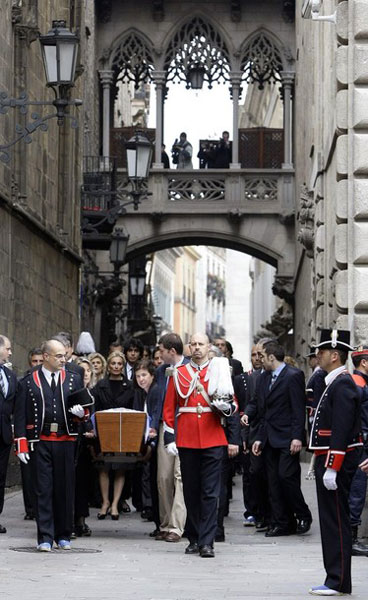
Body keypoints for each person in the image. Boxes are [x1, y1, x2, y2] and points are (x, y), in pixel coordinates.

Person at [163, 333, 237, 557]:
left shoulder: (219, 369)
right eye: (193, 344)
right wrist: (169, 437)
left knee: (210, 492)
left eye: (200, 344)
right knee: (191, 492)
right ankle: (193, 538)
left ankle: (207, 542)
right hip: (187, 438)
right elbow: (169, 407)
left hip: (213, 436)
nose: (196, 348)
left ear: (208, 347)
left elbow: (233, 405)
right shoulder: (180, 372)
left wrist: (225, 407)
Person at [14, 339, 86, 551]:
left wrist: (82, 415)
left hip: (65, 441)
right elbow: (20, 415)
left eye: (65, 355)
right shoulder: (28, 381)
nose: (64, 359)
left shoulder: (74, 379)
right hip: (41, 441)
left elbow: (85, 408)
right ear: (46, 357)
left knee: (64, 489)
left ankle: (63, 534)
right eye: (59, 356)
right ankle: (45, 537)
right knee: (43, 489)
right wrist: (21, 444)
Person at [308, 329, 362, 597]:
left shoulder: (342, 384)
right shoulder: (333, 382)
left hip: (335, 462)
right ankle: (334, 578)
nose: (317, 355)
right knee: (330, 521)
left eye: (321, 351)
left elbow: (341, 429)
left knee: (336, 522)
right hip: (329, 459)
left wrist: (333, 465)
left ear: (334, 354)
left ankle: (338, 581)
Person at [251, 339, 312, 537]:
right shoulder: (263, 378)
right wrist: (259, 438)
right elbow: (263, 412)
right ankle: (281, 522)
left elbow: (297, 409)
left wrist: (297, 437)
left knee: (287, 477)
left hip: (287, 438)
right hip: (269, 438)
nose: (259, 359)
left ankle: (303, 514)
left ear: (271, 357)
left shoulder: (293, 375)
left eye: (262, 356)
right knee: (273, 482)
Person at [154, 333, 188, 542]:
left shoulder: (189, 369)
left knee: (180, 476)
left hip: (184, 426)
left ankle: (177, 526)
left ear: (171, 351)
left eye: (162, 350)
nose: (159, 354)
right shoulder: (160, 371)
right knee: (163, 477)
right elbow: (158, 399)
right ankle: (165, 522)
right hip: (165, 426)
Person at [91, 351, 134, 520]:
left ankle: (116, 503)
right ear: (108, 365)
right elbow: (94, 408)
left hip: (124, 432)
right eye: (113, 363)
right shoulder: (100, 385)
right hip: (104, 431)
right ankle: (105, 502)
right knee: (103, 467)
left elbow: (134, 409)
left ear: (123, 366)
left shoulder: (130, 386)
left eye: (119, 364)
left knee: (120, 468)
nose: (116, 367)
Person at [133, 360, 160, 532]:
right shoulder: (143, 393)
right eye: (137, 376)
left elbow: (155, 413)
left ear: (152, 376)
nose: (141, 379)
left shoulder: (155, 391)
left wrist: (153, 432)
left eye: (144, 375)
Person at [347, 346, 368, 556]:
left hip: (357, 444)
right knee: (356, 492)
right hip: (361, 446)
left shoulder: (355, 383)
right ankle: (351, 540)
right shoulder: (360, 385)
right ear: (364, 363)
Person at [0, 335, 17, 534]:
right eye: (8, 348)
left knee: (1, 477)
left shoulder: (10, 376)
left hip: (4, 435)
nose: (10, 352)